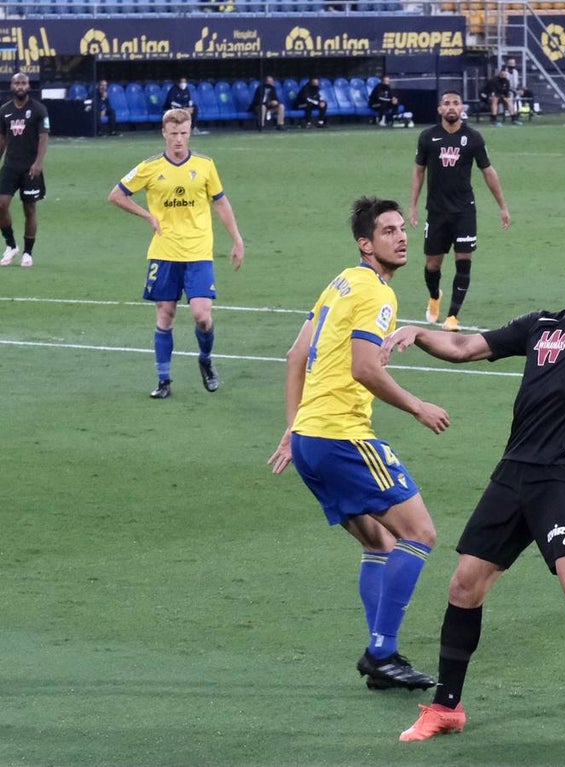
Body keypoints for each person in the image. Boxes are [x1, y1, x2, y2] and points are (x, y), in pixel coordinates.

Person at [383, 239, 565, 755]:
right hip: (513, 473)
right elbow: (467, 348)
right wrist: (418, 333)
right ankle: (447, 707)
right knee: (464, 586)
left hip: (563, 475)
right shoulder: (541, 323)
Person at [267, 196, 448, 693]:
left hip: (310, 441)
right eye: (388, 231)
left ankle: (382, 656)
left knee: (378, 541)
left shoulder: (340, 281)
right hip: (342, 437)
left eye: (401, 229)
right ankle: (381, 653)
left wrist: (293, 425)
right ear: (366, 244)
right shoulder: (377, 294)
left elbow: (294, 355)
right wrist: (418, 406)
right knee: (420, 533)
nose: (401, 236)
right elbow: (364, 368)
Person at [107, 108, 245, 399]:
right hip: (164, 251)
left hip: (198, 252)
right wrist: (146, 216)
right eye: (173, 134)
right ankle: (164, 380)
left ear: (190, 131)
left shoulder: (206, 165)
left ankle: (205, 359)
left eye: (184, 133)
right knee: (165, 314)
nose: (179, 140)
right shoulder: (150, 167)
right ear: (164, 134)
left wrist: (237, 240)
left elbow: (220, 203)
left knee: (202, 316)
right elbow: (116, 195)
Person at [409, 90, 510, 333]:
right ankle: (435, 296)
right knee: (432, 265)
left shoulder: (473, 138)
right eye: (447, 103)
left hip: (464, 211)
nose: (451, 107)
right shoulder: (427, 137)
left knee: (463, 261)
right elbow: (419, 171)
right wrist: (412, 205)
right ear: (440, 110)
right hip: (436, 212)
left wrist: (502, 206)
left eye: (456, 103)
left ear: (462, 107)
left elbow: (488, 171)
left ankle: (453, 316)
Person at [0, 72, 49, 269]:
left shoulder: (39, 110)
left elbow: (44, 137)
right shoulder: (4, 110)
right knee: (1, 205)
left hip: (30, 168)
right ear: (11, 86)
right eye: (17, 83)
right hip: (10, 166)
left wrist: (38, 163)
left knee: (29, 209)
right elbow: (2, 140)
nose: (20, 86)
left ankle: (28, 252)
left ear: (29, 86)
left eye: (24, 83)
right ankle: (11, 245)